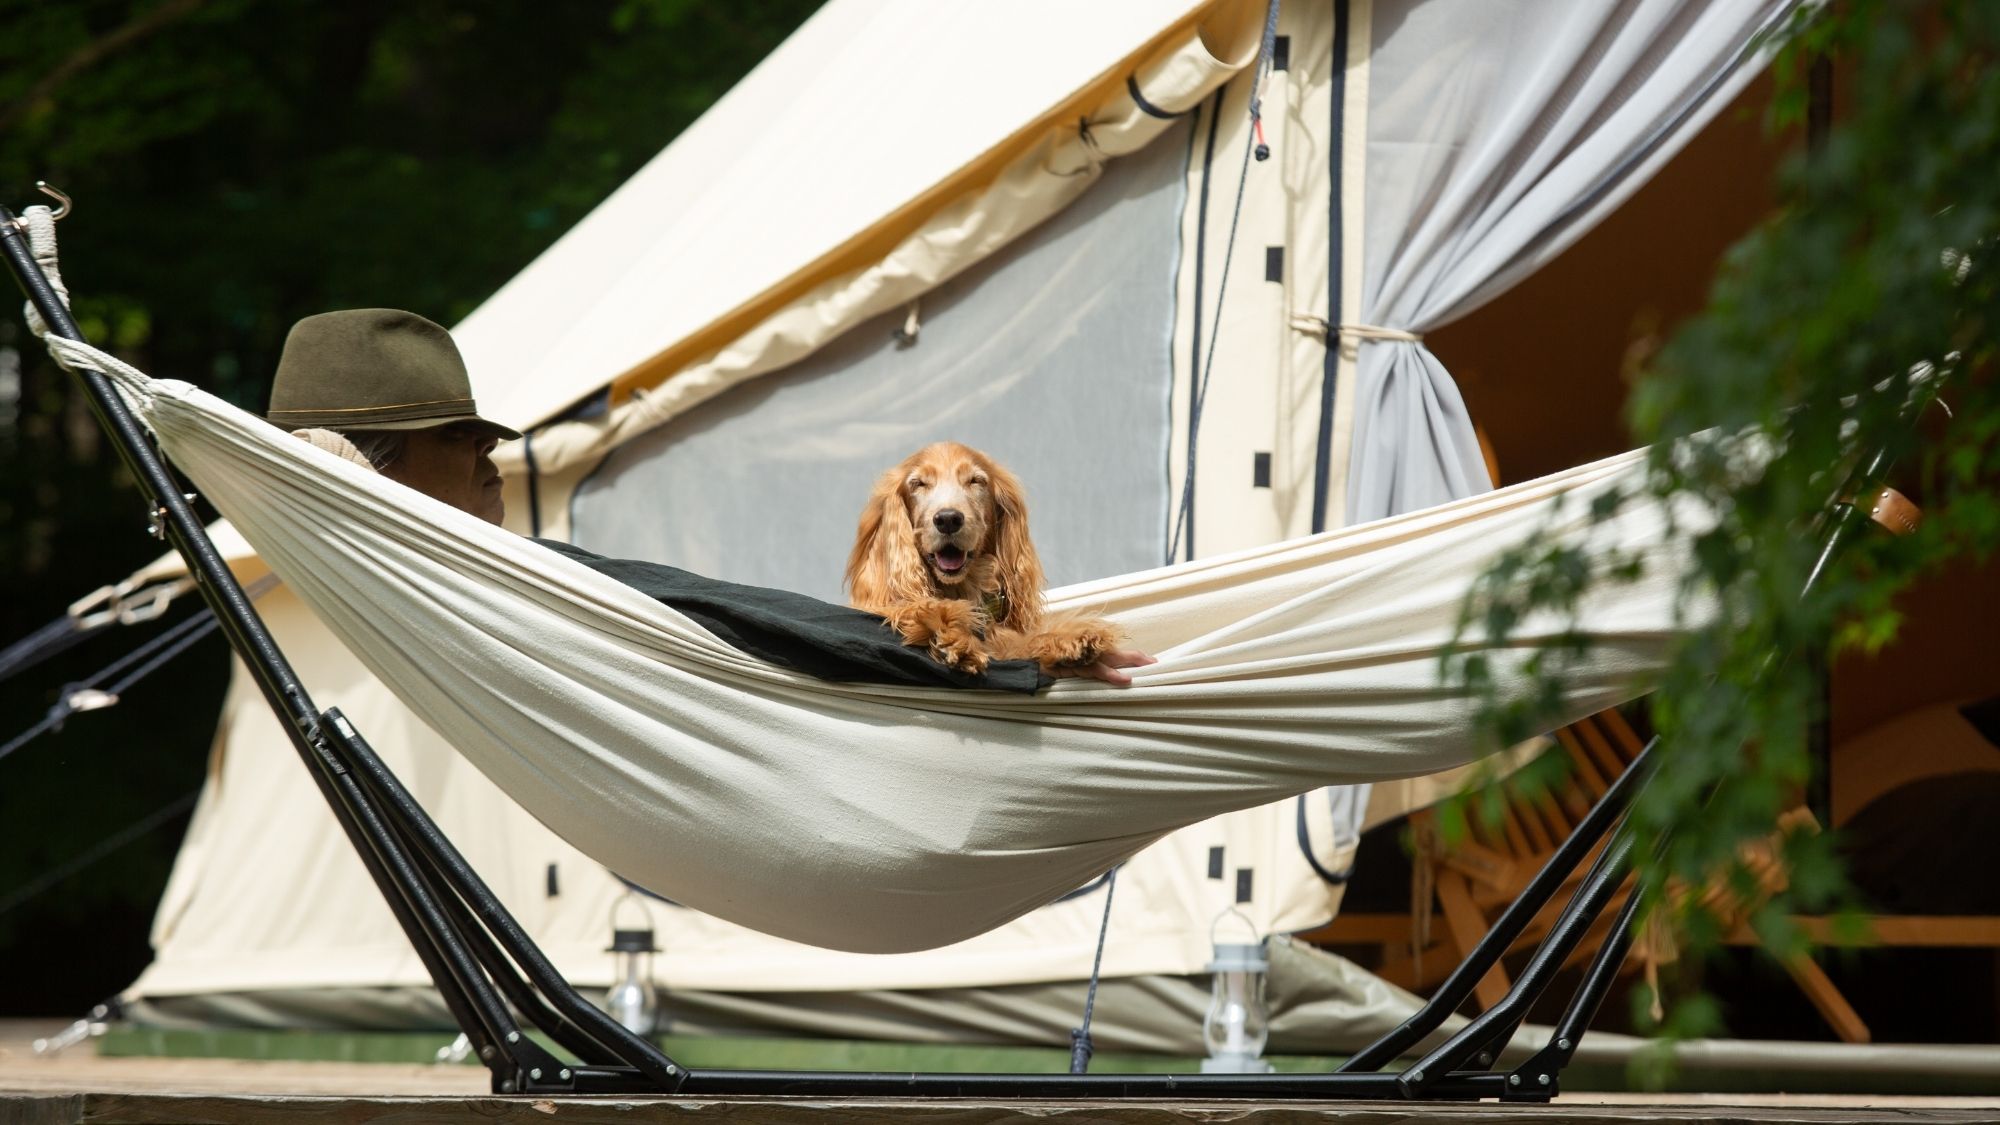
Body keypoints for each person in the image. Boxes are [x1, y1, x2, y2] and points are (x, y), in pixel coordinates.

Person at [269, 309, 1151, 686]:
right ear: (370, 471)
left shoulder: (484, 569)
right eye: (464, 441)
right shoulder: (482, 579)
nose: (493, 460)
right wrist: (1029, 658)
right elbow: (774, 631)